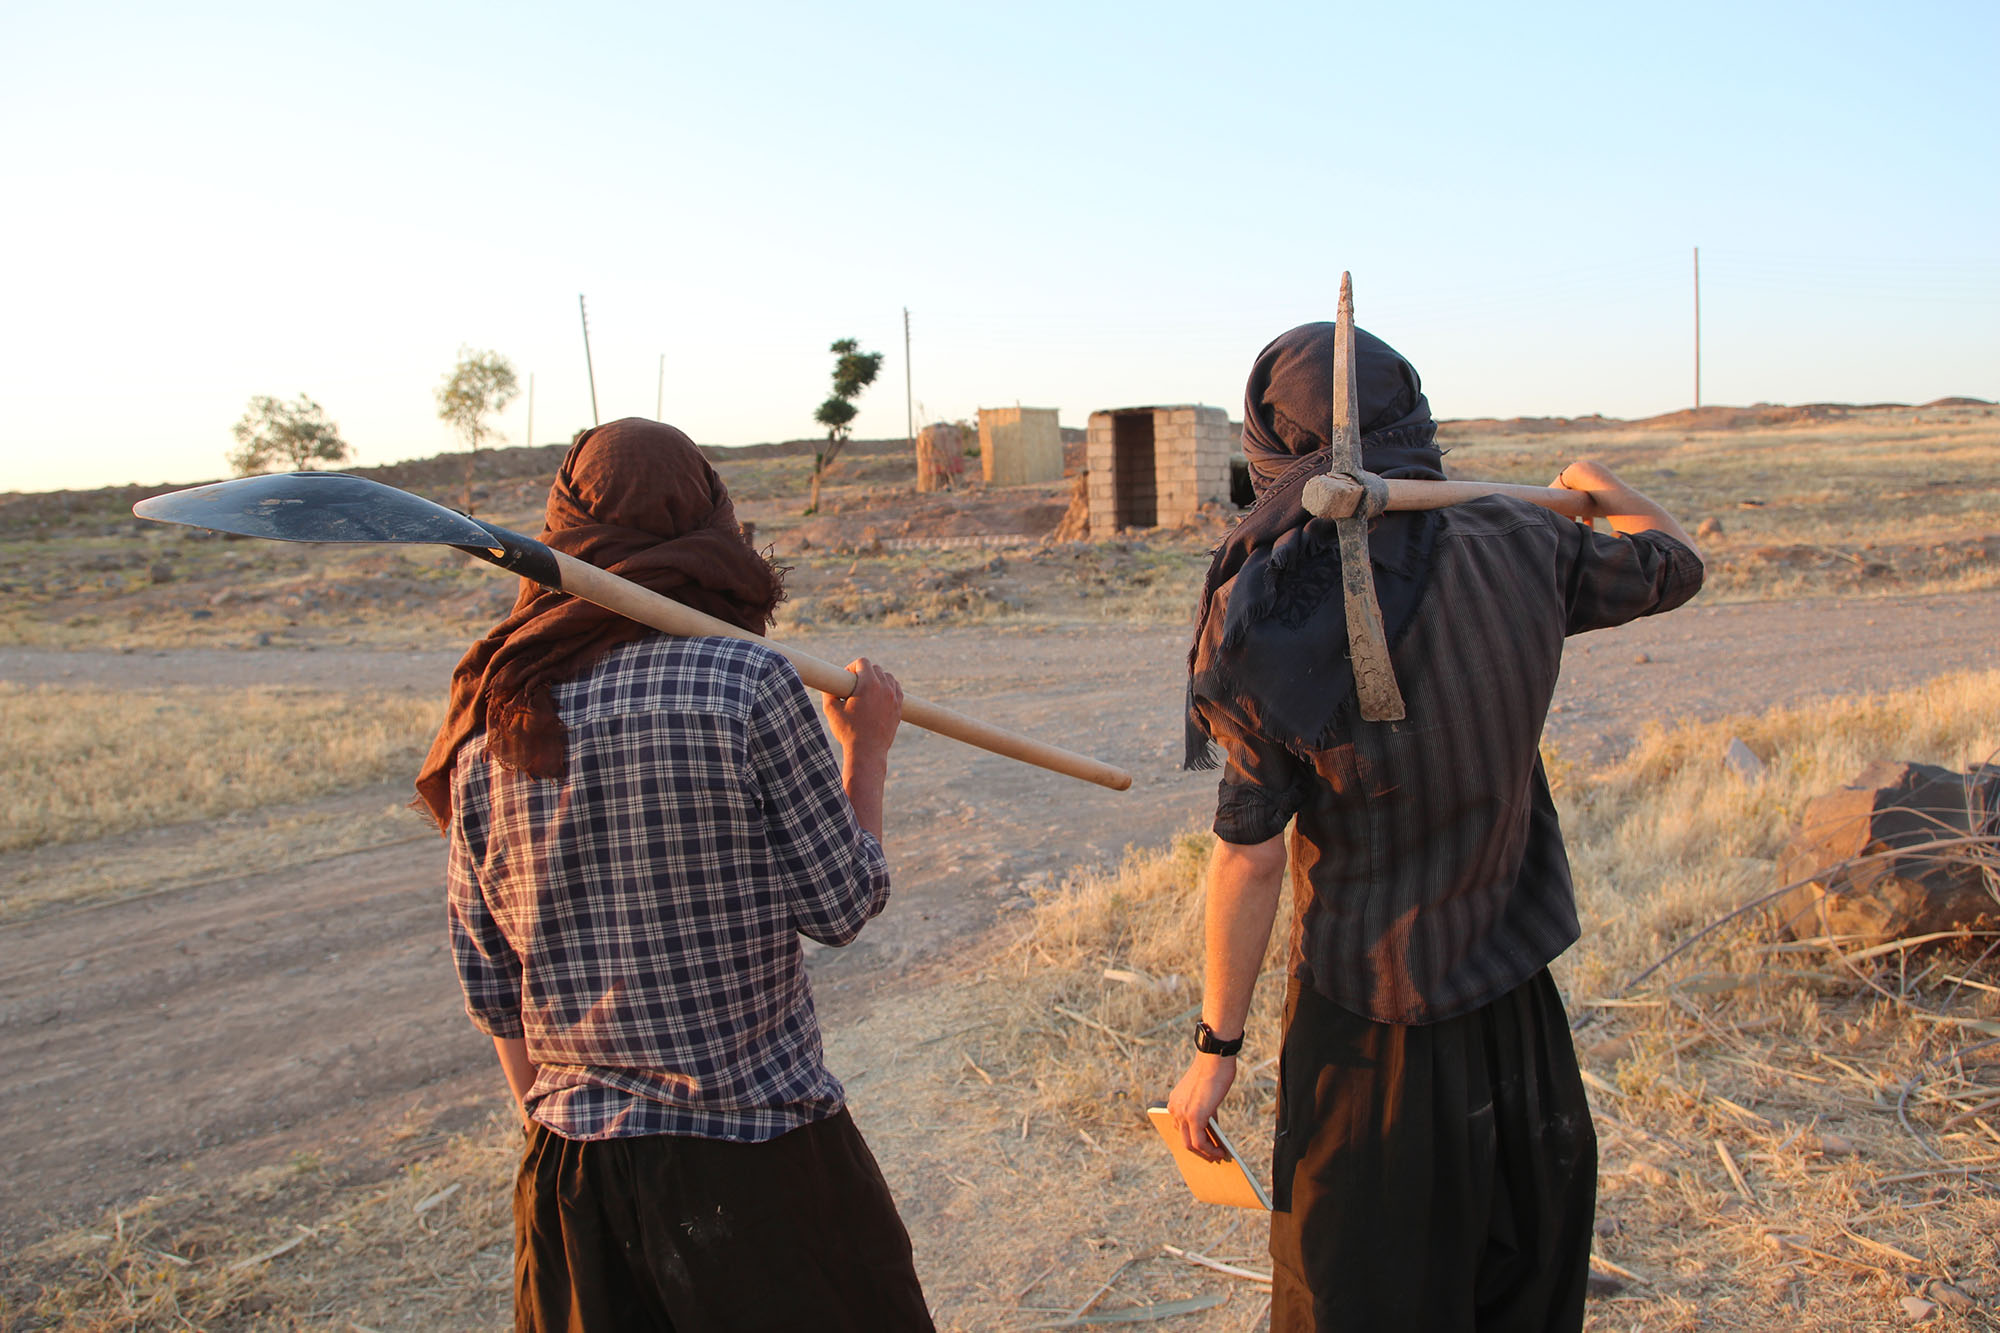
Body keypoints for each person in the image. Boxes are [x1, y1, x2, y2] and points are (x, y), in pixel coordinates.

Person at [1166, 325, 1705, 1332]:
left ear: (1270, 447)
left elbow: (1248, 857)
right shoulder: (1521, 536)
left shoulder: (1264, 605)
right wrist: (1590, 477)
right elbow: (1671, 561)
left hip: (1369, 1033)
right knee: (1514, 1293)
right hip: (1514, 1007)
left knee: (1356, 1304)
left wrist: (1215, 1045)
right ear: (1411, 419)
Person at [416, 418, 934, 1333]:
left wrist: (576, 1133)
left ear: (564, 530)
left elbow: (493, 990)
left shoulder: (491, 714)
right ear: (709, 521)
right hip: (763, 1163)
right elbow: (844, 902)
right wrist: (868, 751)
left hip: (574, 1180)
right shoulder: (747, 684)